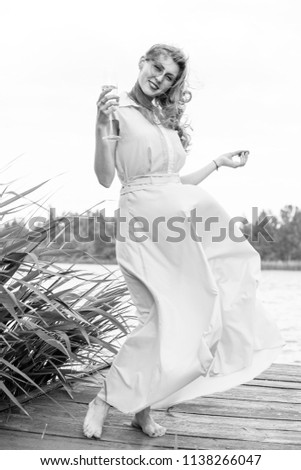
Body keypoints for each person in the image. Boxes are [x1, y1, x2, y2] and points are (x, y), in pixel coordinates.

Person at [83, 44, 284, 439]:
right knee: (155, 319)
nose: (159, 78)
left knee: (188, 315)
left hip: (179, 229)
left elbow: (174, 184)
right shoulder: (115, 109)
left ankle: (142, 407)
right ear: (142, 63)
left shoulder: (163, 118)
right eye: (156, 68)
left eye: (169, 76)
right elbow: (106, 178)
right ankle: (104, 400)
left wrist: (217, 163)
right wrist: (99, 122)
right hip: (143, 226)